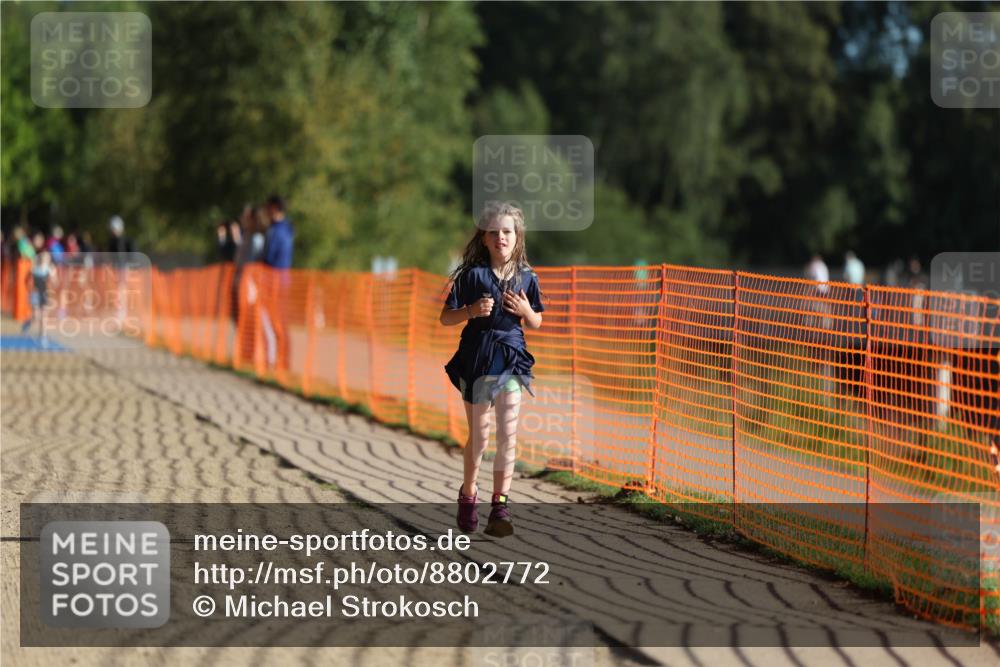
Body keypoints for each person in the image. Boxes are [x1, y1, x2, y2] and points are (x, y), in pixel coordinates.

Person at [439, 202, 544, 538]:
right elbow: (446, 317)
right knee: (482, 436)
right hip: (478, 358)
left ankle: (501, 505)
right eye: (494, 232)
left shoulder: (528, 278)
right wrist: (470, 310)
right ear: (483, 238)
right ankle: (469, 493)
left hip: (512, 357)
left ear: (518, 237)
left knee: (508, 432)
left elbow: (537, 321)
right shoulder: (472, 277)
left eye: (507, 232)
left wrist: (527, 310)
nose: (501, 237)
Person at [260, 196, 294, 372]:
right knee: (275, 321)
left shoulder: (279, 231)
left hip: (276, 282)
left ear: (274, 208)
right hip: (277, 280)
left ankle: (280, 361)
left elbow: (272, 257)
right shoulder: (283, 229)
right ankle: (278, 360)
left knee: (276, 321)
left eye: (267, 208)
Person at [21, 249, 55, 340]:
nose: (46, 259)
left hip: (44, 293)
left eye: (47, 258)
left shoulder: (49, 269)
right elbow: (26, 279)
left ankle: (43, 335)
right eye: (44, 257)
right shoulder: (34, 268)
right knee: (36, 316)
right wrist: (29, 289)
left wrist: (53, 275)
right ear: (40, 258)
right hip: (35, 293)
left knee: (44, 315)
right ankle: (26, 325)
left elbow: (55, 283)